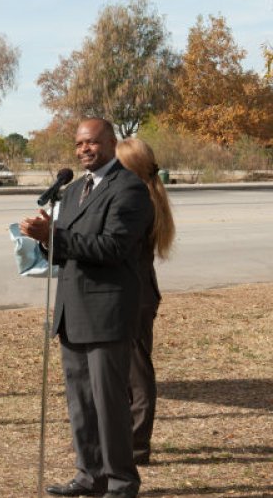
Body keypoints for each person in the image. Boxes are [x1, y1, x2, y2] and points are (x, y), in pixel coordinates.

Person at [20, 117, 153, 498]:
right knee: (81, 402)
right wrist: (44, 240)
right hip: (72, 311)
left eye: (92, 142)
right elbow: (67, 247)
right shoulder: (75, 189)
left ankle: (121, 482)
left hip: (107, 314)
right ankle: (89, 475)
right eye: (79, 144)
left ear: (112, 142)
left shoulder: (129, 189)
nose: (84, 150)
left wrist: (56, 236)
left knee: (109, 404)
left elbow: (113, 248)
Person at [116, 138, 176, 466]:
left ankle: (137, 445)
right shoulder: (148, 196)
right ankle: (127, 438)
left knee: (137, 372)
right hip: (140, 294)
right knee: (129, 369)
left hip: (136, 296)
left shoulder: (140, 203)